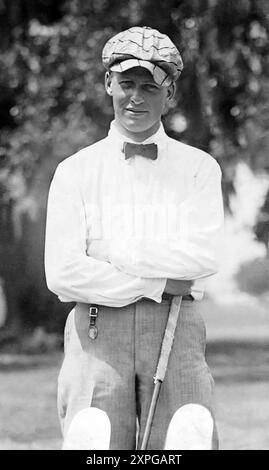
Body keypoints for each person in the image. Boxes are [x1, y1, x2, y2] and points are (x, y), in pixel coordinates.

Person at [45, 26, 224, 450]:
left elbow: (204, 256)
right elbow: (63, 274)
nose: (136, 98)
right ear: (109, 83)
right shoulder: (75, 171)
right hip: (97, 332)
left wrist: (115, 252)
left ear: (172, 92)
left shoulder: (199, 168)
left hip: (177, 324)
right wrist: (158, 281)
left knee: (187, 439)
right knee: (95, 444)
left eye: (150, 86)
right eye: (126, 84)